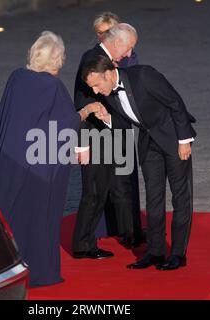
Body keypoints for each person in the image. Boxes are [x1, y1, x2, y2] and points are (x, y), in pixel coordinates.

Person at [0, 31, 98, 287]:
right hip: (38, 169)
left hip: (9, 160)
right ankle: (38, 271)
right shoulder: (52, 86)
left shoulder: (16, 77)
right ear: (56, 59)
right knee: (37, 218)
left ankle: (3, 269)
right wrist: (87, 110)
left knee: (9, 213)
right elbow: (66, 123)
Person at [82, 55, 196, 271]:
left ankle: (179, 254)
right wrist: (106, 117)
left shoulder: (144, 75)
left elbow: (175, 102)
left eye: (96, 85)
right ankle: (155, 251)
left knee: (180, 197)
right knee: (153, 198)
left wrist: (184, 140)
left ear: (107, 74)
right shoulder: (109, 92)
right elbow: (125, 119)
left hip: (173, 138)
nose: (96, 91)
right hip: (148, 142)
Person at [71, 23, 143, 260]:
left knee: (123, 186)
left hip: (113, 132)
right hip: (96, 136)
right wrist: (82, 143)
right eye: (129, 48)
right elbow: (81, 102)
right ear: (118, 42)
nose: (129, 54)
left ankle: (130, 233)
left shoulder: (105, 57)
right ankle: (83, 245)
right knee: (94, 192)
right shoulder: (93, 60)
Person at [92, 14, 144, 247]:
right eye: (100, 33)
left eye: (108, 31)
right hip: (101, 127)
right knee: (105, 181)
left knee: (126, 180)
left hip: (122, 126)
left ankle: (131, 229)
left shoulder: (128, 57)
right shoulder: (94, 57)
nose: (104, 36)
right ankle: (111, 226)